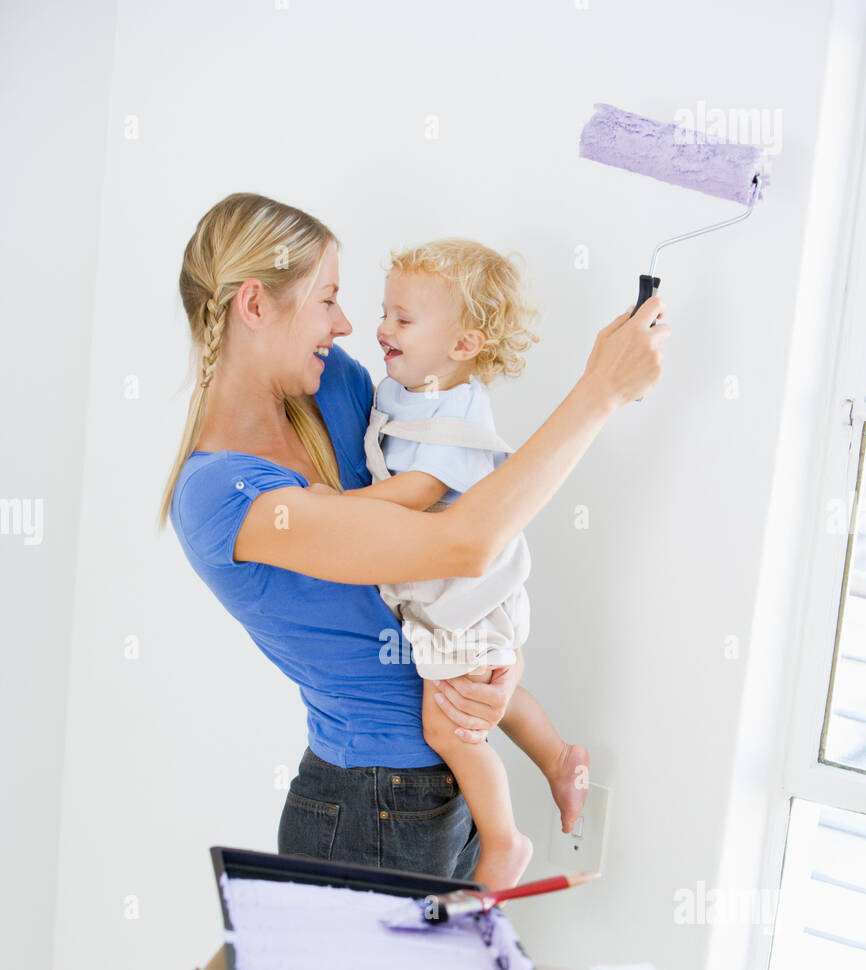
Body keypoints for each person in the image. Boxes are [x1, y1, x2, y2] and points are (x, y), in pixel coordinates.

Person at [159, 193, 668, 884]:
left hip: (445, 774)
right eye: (327, 300)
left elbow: (443, 520)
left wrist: (498, 662)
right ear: (254, 305)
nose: (346, 326)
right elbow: (463, 543)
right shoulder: (221, 495)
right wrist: (599, 392)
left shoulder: (333, 384)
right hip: (365, 804)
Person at [309, 236, 590, 890]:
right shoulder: (404, 388)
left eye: (403, 320)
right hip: (445, 596)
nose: (382, 328)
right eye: (386, 311)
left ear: (462, 345)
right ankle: (555, 756)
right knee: (482, 691)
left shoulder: (458, 407)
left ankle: (503, 842)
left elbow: (419, 490)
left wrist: (333, 507)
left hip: (467, 592)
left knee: (450, 720)